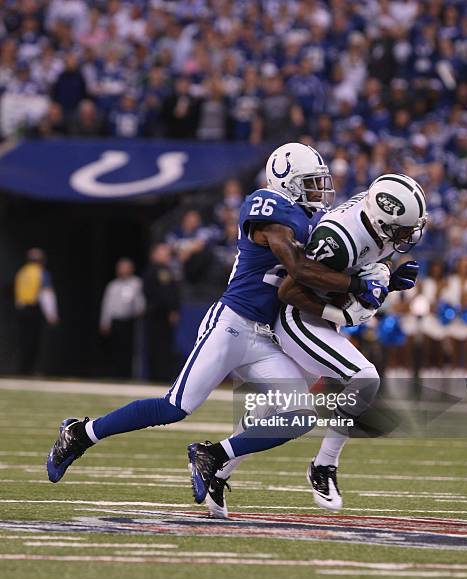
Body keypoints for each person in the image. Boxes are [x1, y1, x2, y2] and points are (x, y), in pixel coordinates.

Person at [46, 142, 388, 495]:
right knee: (175, 407)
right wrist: (357, 281)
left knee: (298, 417)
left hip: (266, 336)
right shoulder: (268, 206)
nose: (319, 190)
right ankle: (80, 434)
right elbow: (298, 267)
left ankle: (212, 456)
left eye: (320, 182)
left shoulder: (312, 219)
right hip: (232, 324)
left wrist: (383, 275)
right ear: (286, 182)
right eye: (311, 182)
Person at [202, 173, 427, 518]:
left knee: (272, 414)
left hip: (317, 314)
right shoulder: (339, 238)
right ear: (383, 220)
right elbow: (290, 291)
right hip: (299, 316)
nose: (407, 236)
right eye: (402, 230)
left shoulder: (373, 224)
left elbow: (357, 274)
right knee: (364, 378)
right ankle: (324, 467)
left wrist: (387, 282)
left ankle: (218, 463)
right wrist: (343, 310)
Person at [14, 248, 59, 375]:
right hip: (34, 309)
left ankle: (23, 368)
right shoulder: (41, 272)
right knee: (34, 341)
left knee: (24, 340)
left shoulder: (22, 272)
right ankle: (32, 369)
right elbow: (46, 294)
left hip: (21, 310)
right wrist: (51, 314)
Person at [99, 258, 145, 379]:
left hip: (129, 321)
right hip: (116, 321)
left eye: (125, 267)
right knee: (115, 349)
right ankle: (115, 374)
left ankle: (128, 374)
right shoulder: (113, 285)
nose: (122, 270)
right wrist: (105, 321)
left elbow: (140, 300)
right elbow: (107, 304)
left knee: (128, 349)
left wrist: (140, 309)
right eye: (120, 267)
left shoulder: (136, 283)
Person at [143, 243, 181, 382]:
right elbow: (165, 294)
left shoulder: (164, 270)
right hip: (158, 314)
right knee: (158, 347)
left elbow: (173, 292)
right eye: (163, 252)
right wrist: (172, 309)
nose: (167, 255)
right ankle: (158, 376)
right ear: (155, 254)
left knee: (162, 346)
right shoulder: (158, 270)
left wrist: (174, 309)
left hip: (160, 315)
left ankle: (159, 376)